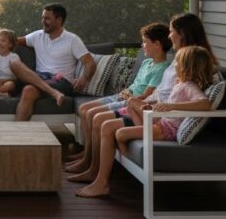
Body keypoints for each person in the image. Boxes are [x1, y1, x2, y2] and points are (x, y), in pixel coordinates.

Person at [68, 12, 217, 186]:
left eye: (171, 31)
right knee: (98, 116)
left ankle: (98, 177)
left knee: (104, 122)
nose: (169, 36)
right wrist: (144, 102)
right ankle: (91, 166)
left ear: (182, 33)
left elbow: (183, 97)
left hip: (158, 116)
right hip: (151, 107)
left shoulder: (190, 60)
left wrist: (154, 104)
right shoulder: (182, 58)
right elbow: (168, 91)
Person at [65, 22, 171, 173]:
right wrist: (125, 92)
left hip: (131, 101)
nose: (142, 45)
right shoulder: (147, 62)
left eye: (145, 42)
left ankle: (89, 160)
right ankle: (87, 153)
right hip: (123, 96)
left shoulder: (162, 68)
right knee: (84, 109)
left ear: (157, 44)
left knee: (92, 114)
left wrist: (129, 97)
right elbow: (135, 84)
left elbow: (147, 95)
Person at [8, 4, 96, 121]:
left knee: (28, 90)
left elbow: (90, 63)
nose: (43, 21)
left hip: (60, 81)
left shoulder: (72, 40)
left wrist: (84, 79)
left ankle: (17, 134)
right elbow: (14, 41)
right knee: (14, 63)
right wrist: (3, 40)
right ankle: (53, 93)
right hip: (39, 77)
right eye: (42, 18)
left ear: (59, 20)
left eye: (47, 18)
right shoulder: (37, 35)